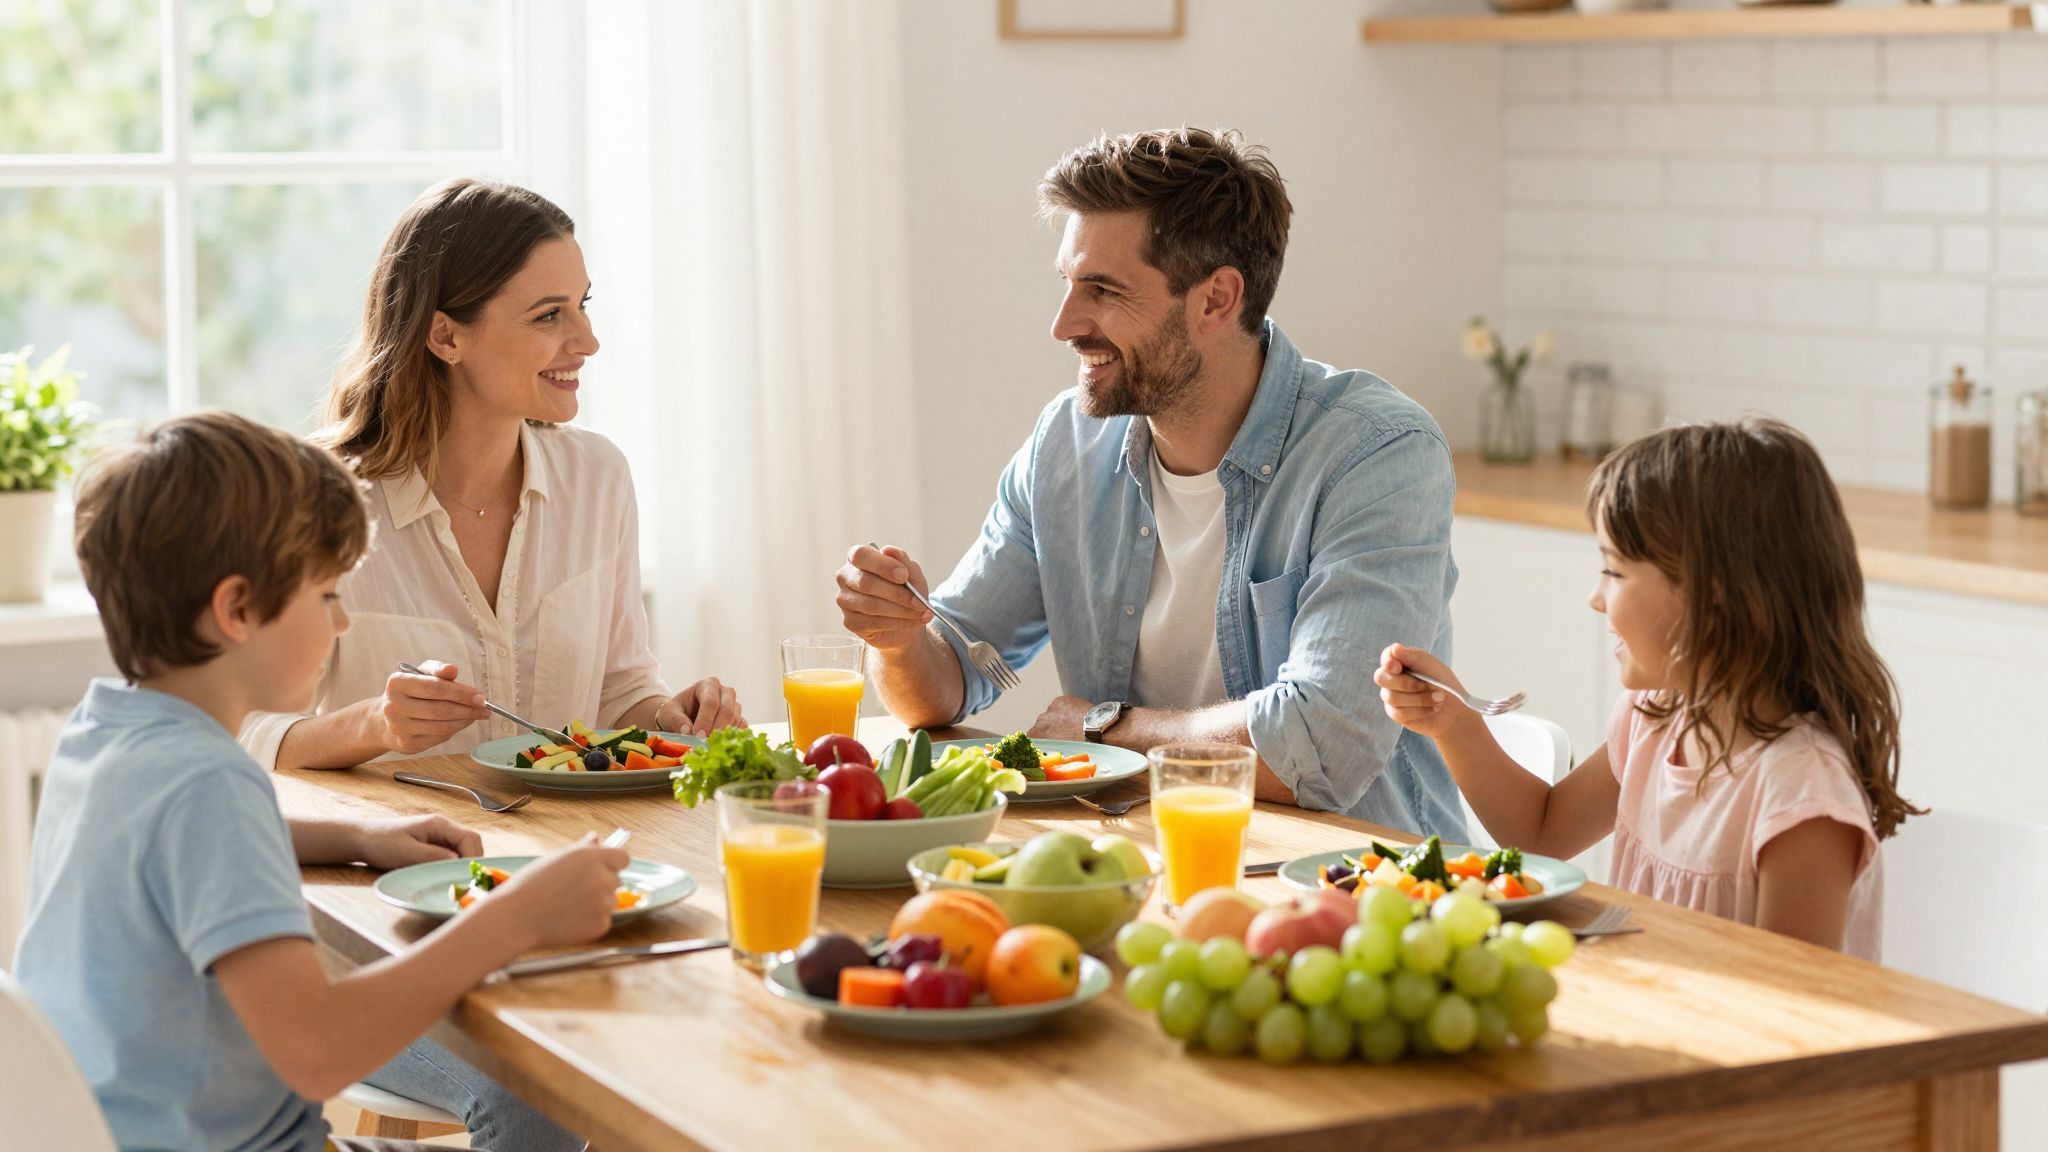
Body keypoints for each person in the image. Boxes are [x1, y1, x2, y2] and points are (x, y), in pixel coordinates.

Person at [14, 412, 625, 1151]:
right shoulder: (211, 784)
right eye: (330, 596)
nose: (341, 626)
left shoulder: (106, 734)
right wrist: (518, 917)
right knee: (541, 1093)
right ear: (237, 610)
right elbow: (317, 1051)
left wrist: (357, 836)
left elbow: (175, 849)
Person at [836, 127, 1465, 837]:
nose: (1063, 325)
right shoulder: (1068, 444)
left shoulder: (1375, 454)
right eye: (1068, 284)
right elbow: (945, 679)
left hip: (1352, 885)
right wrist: (896, 640)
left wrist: (1104, 728)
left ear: (1215, 300)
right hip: (1137, 863)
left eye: (1101, 290)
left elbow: (1319, 748)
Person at [240, 178, 743, 775]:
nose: (588, 341)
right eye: (548, 316)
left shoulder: (597, 478)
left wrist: (667, 719)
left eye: (582, 305)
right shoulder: (311, 500)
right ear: (446, 335)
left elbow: (617, 688)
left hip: (569, 854)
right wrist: (375, 724)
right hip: (401, 859)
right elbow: (243, 729)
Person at [1375, 419, 1919, 959]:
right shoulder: (1653, 717)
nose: (1595, 598)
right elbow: (1541, 834)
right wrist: (1452, 722)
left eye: (1613, 572)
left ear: (1716, 594)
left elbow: (1793, 1011)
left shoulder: (1800, 796)